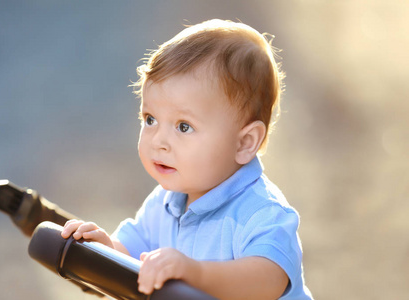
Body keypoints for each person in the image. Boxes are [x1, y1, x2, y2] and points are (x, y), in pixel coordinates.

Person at [61, 19, 313, 300]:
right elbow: (134, 258)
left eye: (183, 126)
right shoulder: (164, 203)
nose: (158, 141)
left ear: (244, 143)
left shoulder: (262, 213)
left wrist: (196, 274)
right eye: (150, 119)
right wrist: (104, 250)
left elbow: (267, 280)